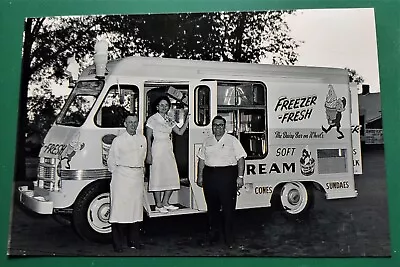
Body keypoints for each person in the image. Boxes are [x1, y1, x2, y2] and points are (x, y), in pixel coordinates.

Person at [196, 115, 247, 249]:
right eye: (215, 125)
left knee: (228, 209)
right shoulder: (207, 141)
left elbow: (241, 159)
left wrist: (240, 176)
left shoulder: (232, 140)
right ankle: (213, 238)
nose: (217, 128)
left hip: (227, 176)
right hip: (210, 176)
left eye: (220, 125)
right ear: (212, 127)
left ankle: (229, 240)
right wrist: (200, 176)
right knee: (212, 209)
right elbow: (201, 160)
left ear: (225, 127)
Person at [107, 113, 147, 253]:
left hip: (137, 178)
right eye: (130, 122)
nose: (133, 125)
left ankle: (134, 241)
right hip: (122, 178)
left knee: (136, 211)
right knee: (120, 211)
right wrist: (119, 174)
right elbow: (111, 161)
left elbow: (143, 158)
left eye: (135, 122)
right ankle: (118, 244)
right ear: (125, 123)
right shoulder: (118, 140)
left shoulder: (142, 138)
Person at [145, 96, 189, 213]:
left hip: (168, 150)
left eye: (166, 105)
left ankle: (165, 202)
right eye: (162, 105)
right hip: (157, 149)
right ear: (157, 107)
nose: (164, 107)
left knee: (171, 175)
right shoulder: (152, 119)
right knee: (157, 176)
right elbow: (148, 138)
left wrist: (188, 120)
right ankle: (158, 205)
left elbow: (179, 132)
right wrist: (148, 154)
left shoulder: (169, 119)